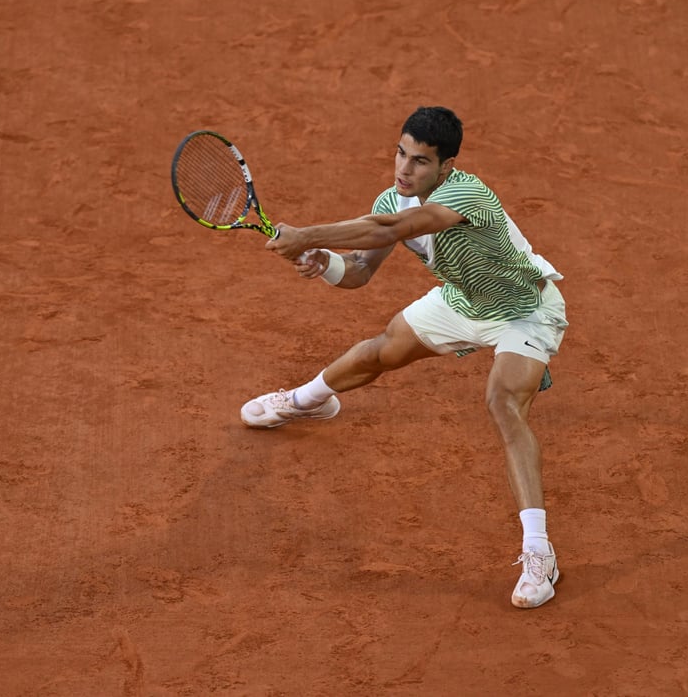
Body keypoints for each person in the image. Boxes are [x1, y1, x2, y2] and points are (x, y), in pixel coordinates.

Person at [240, 106, 569, 608]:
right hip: (462, 300)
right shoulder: (392, 198)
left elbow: (389, 228)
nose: (404, 169)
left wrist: (308, 235)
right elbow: (360, 272)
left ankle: (538, 554)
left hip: (525, 310)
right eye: (401, 153)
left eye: (419, 161)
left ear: (446, 168)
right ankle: (308, 400)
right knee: (381, 352)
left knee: (503, 403)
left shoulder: (466, 194)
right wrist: (322, 261)